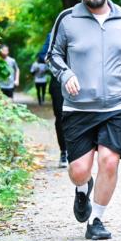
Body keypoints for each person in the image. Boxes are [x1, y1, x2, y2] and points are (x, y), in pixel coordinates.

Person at [47, 0, 121, 241]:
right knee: (79, 170)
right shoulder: (67, 19)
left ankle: (97, 220)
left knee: (109, 161)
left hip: (117, 104)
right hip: (78, 107)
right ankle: (83, 190)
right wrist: (66, 73)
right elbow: (52, 56)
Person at [38, 31, 68, 167]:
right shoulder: (53, 34)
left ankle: (80, 152)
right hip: (59, 81)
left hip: (83, 81)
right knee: (61, 117)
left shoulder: (87, 30)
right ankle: (64, 152)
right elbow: (42, 56)